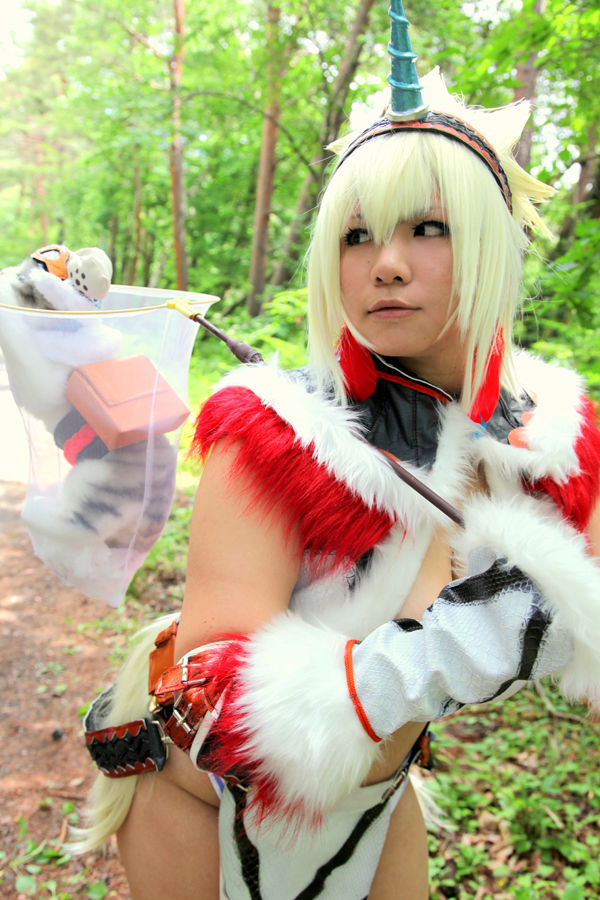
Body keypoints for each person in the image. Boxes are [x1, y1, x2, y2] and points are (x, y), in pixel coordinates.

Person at [76, 68, 600, 900]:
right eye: (357, 236)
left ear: (491, 241)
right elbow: (219, 705)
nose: (386, 264)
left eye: (428, 227)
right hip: (198, 799)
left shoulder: (553, 439)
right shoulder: (279, 431)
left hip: (372, 801)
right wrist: (464, 647)